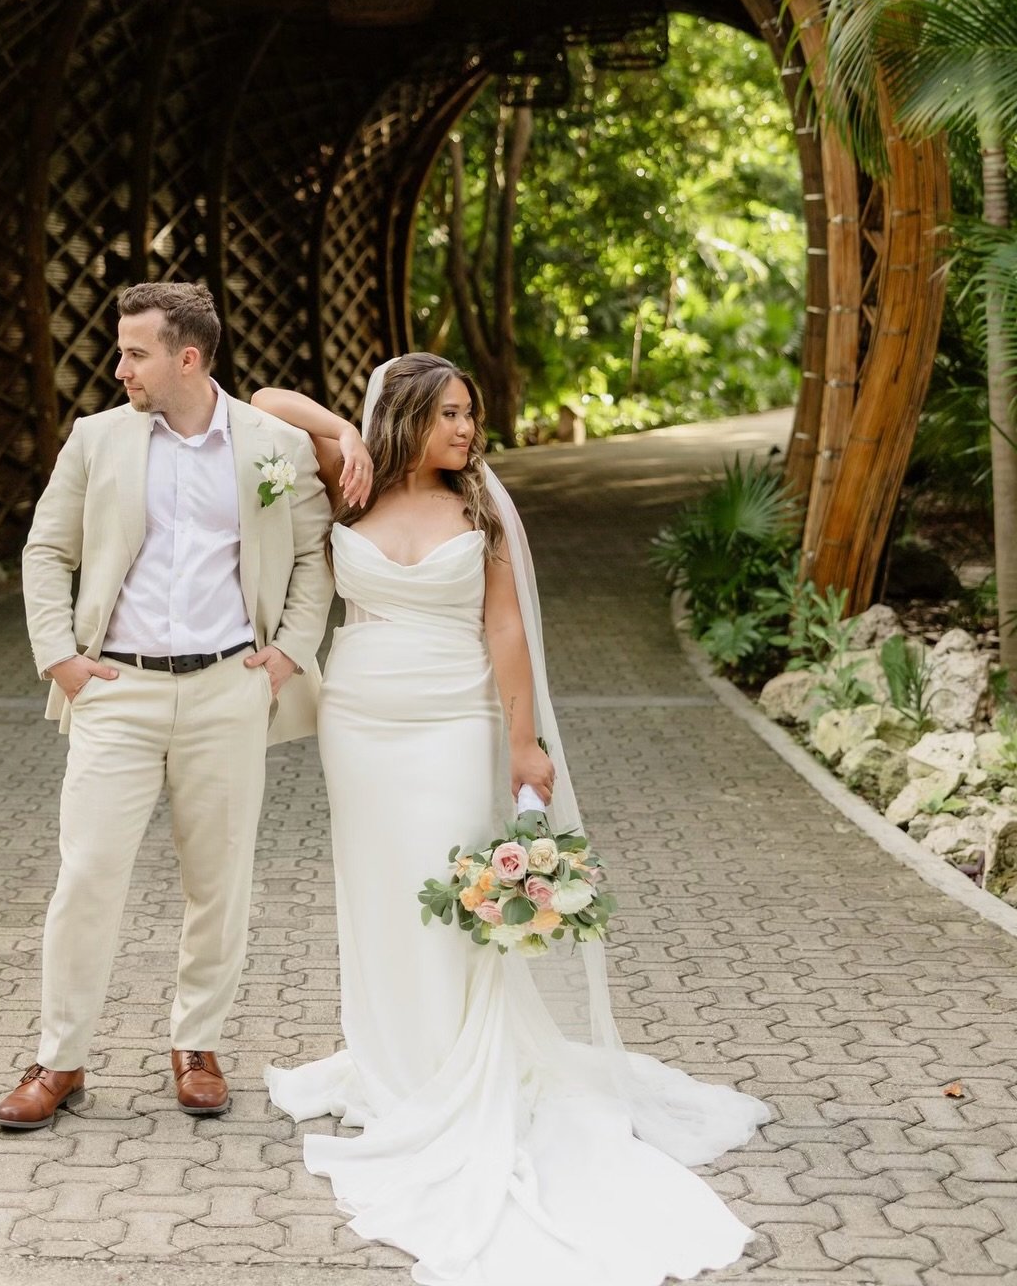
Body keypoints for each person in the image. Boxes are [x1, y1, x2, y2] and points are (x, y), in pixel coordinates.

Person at [258, 353, 771, 1286]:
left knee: (446, 895)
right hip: (361, 721)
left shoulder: (481, 509)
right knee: (374, 892)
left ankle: (460, 1070)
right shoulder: (351, 479)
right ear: (406, 416)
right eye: (448, 414)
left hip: (455, 720)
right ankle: (393, 1066)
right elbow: (261, 401)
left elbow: (505, 628)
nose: (465, 431)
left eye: (469, 415)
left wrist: (524, 744)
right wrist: (342, 432)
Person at [0, 282, 356, 1129]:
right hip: (116, 691)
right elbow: (45, 550)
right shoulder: (96, 441)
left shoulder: (274, 445)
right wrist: (61, 660)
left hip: (230, 688)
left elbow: (313, 558)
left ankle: (197, 1046)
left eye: (134, 353)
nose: (118, 367)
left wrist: (286, 658)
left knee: (217, 880)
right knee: (86, 876)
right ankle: (60, 1060)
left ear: (186, 358)